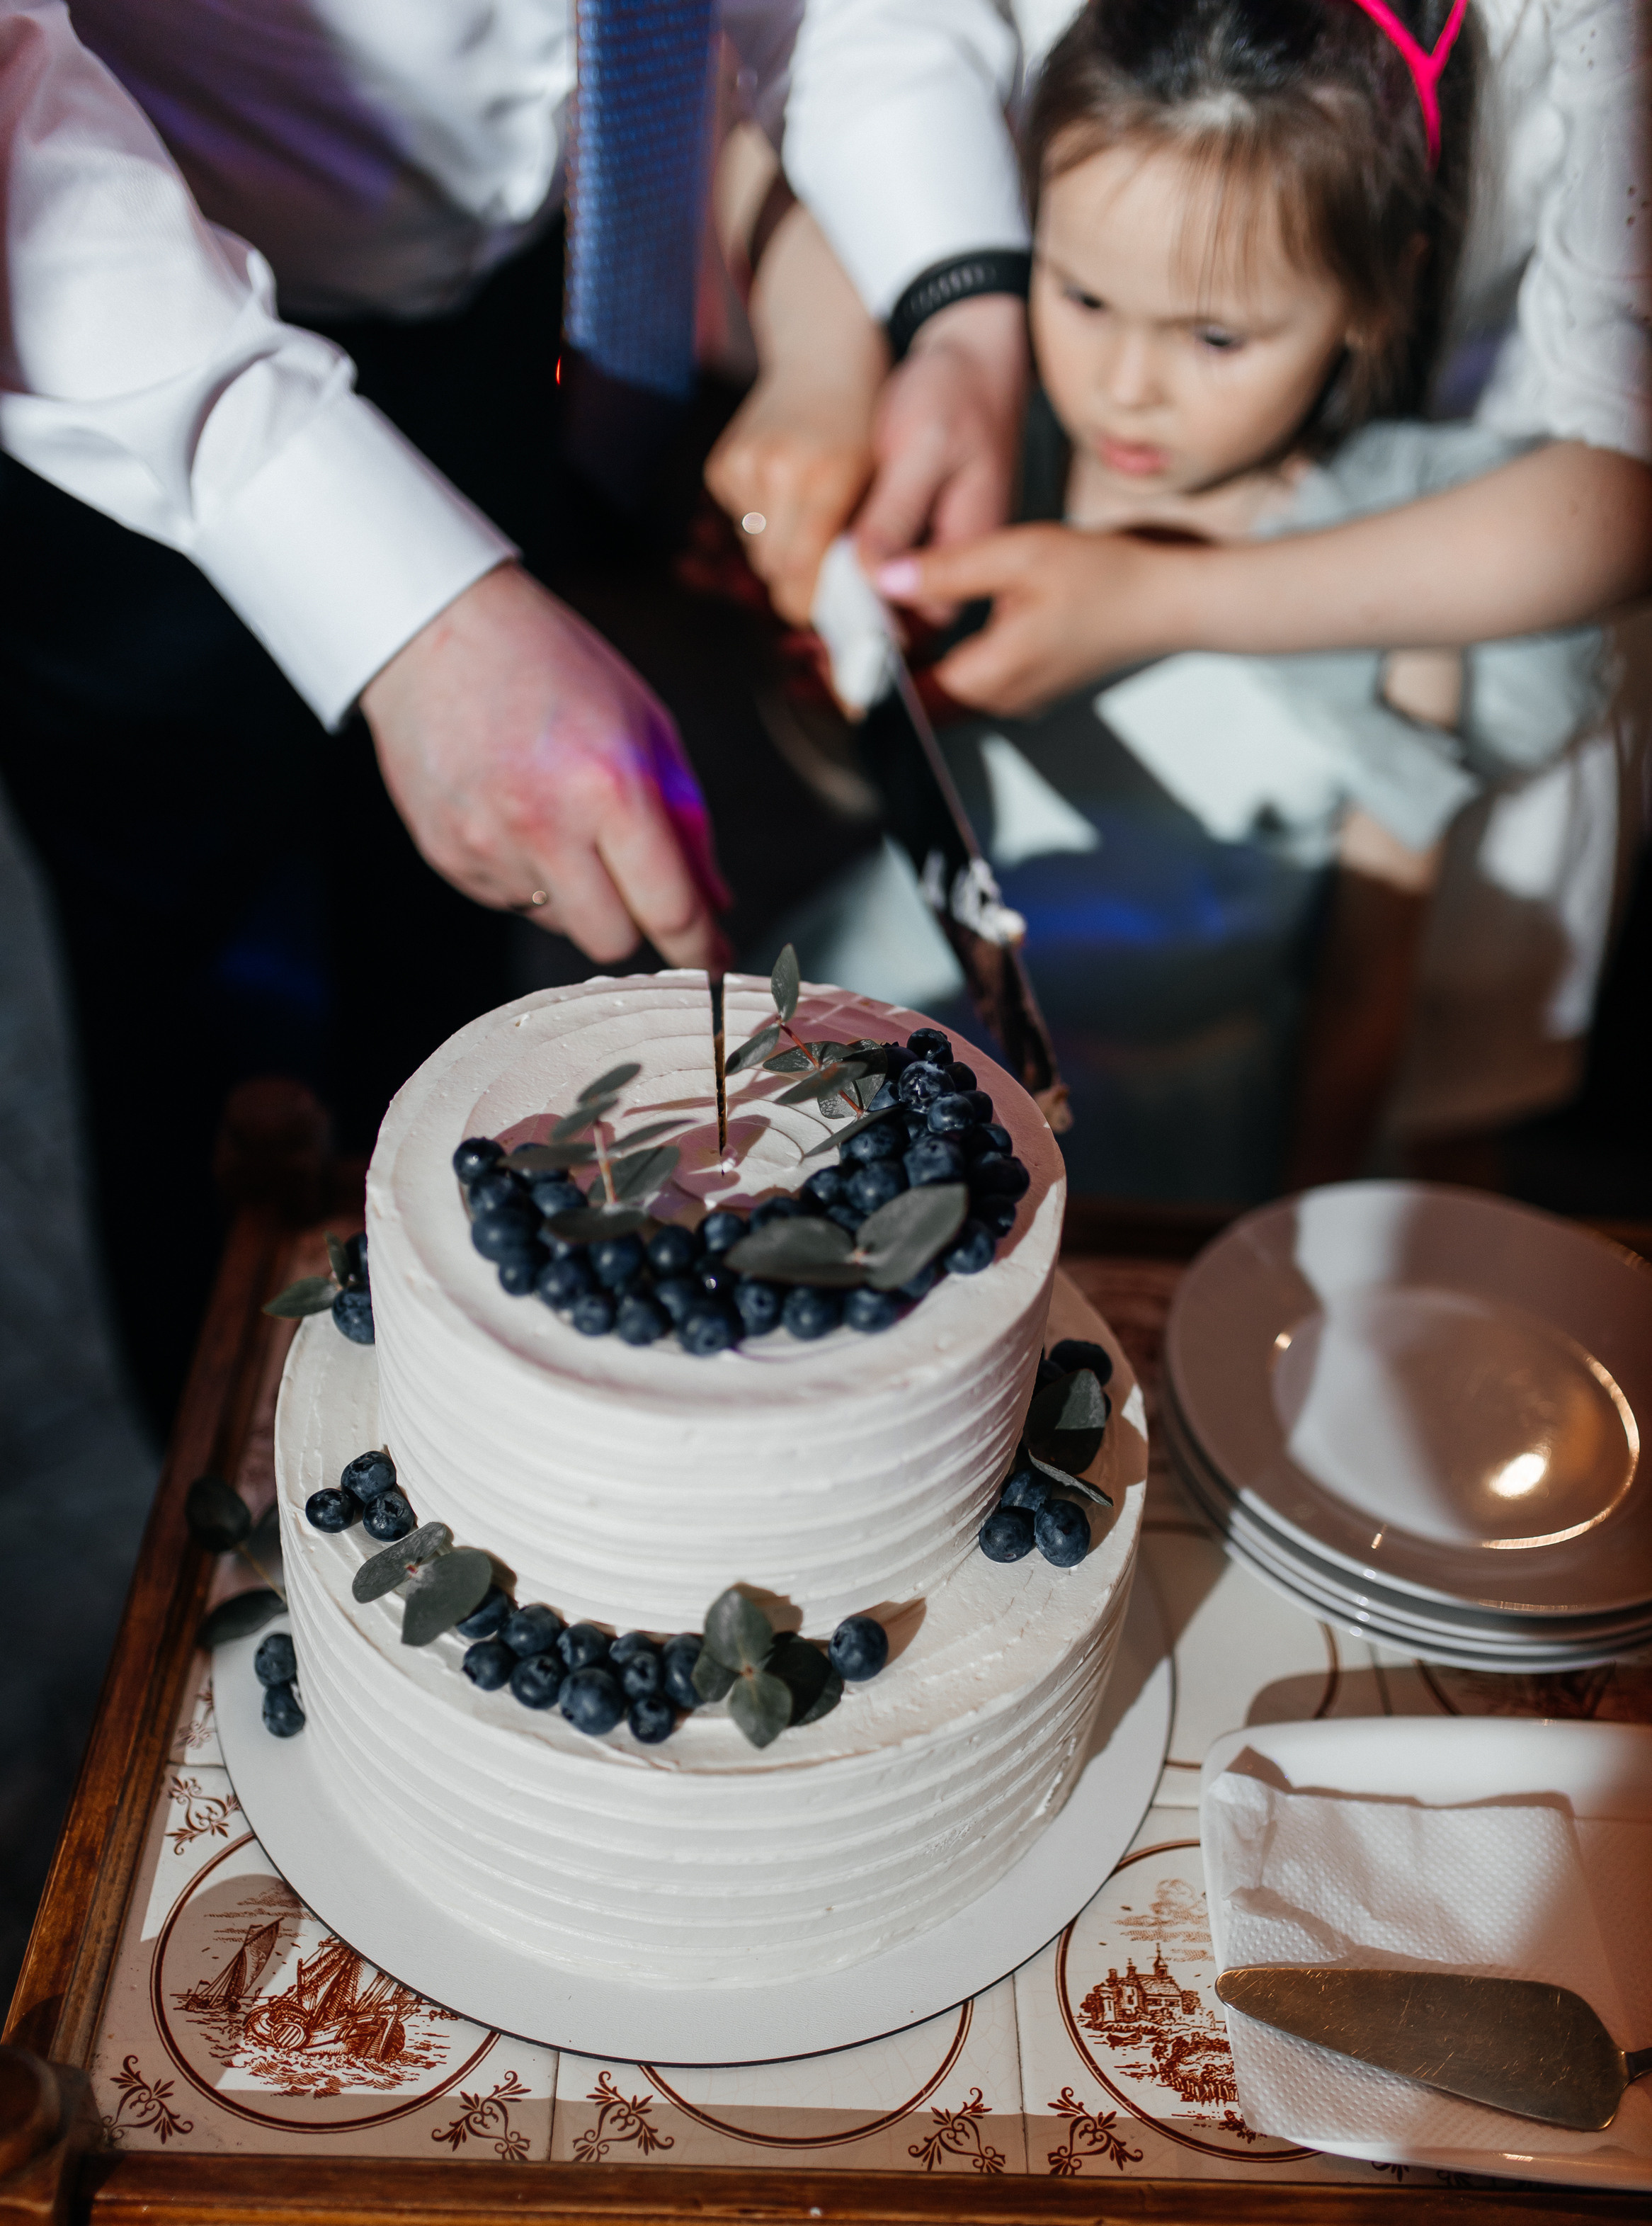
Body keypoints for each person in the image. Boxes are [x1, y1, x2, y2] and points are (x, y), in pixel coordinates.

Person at [0, 0, 1031, 1426]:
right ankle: (230, 1440)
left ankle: (456, 1389)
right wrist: (403, 601)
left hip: (514, 297)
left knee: (448, 940)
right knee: (198, 989)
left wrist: (959, 301)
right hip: (113, 337)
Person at [732, 0, 1645, 1198]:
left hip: (1165, 1130)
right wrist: (835, 663)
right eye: (1080, 298)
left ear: (1378, 292)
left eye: (1214, 337)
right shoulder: (987, 460)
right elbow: (764, 118)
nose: (1125, 387)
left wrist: (1305, 1213)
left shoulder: (1402, 587)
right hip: (887, 1026)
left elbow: (1366, 978)